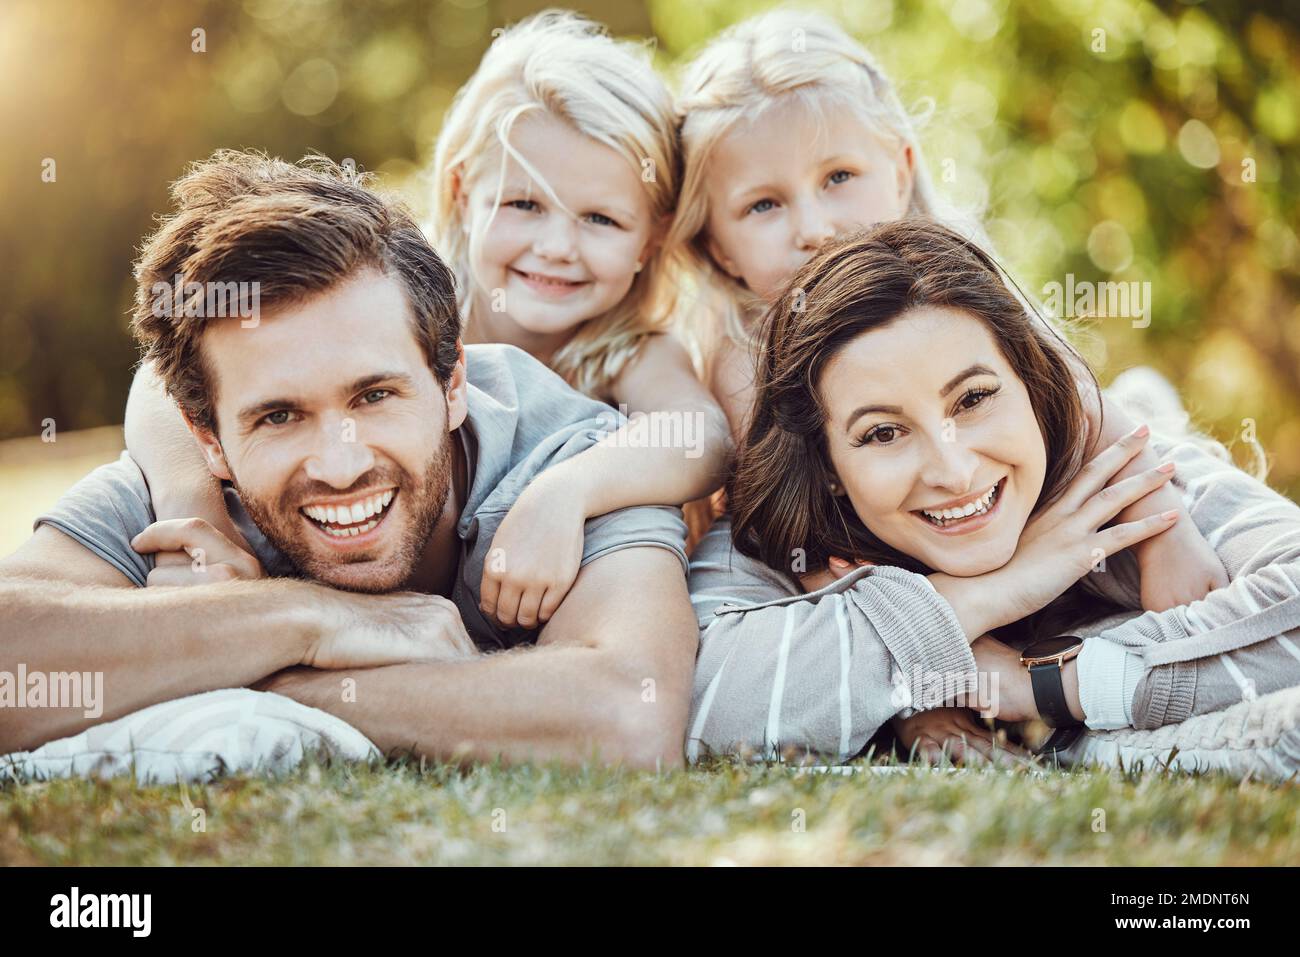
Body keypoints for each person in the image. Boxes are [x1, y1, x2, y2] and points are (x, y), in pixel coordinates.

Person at [0, 149, 698, 771]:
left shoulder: (569, 458)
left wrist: (251, 673)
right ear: (208, 439)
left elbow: (627, 717)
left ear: (453, 384)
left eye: (374, 396)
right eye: (279, 416)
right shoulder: (187, 500)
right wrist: (308, 619)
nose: (339, 466)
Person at [124, 11, 730, 631]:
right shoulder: (404, 302)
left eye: (600, 219)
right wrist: (194, 511)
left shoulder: (630, 349)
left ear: (651, 240)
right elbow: (164, 380)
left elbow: (701, 438)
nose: (556, 245)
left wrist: (566, 492)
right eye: (524, 204)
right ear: (465, 194)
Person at [687, 220, 1300, 772]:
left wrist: (1039, 686)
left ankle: (1149, 397)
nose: (953, 471)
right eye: (883, 433)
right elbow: (707, 705)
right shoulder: (779, 534)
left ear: (1031, 386)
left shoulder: (1116, 477)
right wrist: (975, 603)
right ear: (827, 468)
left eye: (973, 399)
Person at [667, 9, 1226, 614]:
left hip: (1003, 502)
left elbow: (1079, 396)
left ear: (903, 168)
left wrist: (1166, 533)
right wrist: (947, 653)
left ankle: (1152, 402)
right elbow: (795, 532)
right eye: (763, 205)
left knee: (1138, 411)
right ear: (715, 245)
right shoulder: (738, 354)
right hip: (911, 558)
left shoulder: (950, 283)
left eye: (839, 176)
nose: (814, 228)